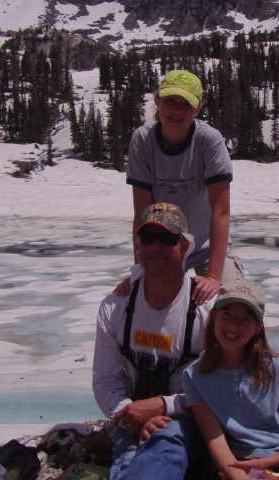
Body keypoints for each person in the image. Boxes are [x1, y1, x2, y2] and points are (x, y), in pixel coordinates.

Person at [93, 202, 216, 479]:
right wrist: (129, 413)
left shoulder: (207, 310)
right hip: (130, 419)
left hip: (189, 419)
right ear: (138, 245)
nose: (155, 248)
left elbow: (220, 387)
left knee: (165, 441)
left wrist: (164, 406)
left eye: (167, 239)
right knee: (128, 459)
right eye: (148, 239)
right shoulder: (116, 307)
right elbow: (105, 380)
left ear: (185, 245)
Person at [183, 276, 279, 480]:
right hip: (236, 460)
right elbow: (216, 442)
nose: (233, 326)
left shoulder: (277, 368)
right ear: (213, 317)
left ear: (258, 328)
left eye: (245, 319)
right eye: (227, 316)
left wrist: (265, 465)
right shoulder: (195, 376)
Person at [124, 69, 239, 304]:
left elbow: (221, 211)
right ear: (157, 101)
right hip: (162, 247)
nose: (176, 111)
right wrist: (140, 269)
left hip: (207, 248)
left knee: (232, 304)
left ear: (198, 108)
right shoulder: (142, 140)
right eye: (170, 101)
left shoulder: (209, 140)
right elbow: (142, 214)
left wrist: (214, 277)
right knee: (142, 303)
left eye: (185, 104)